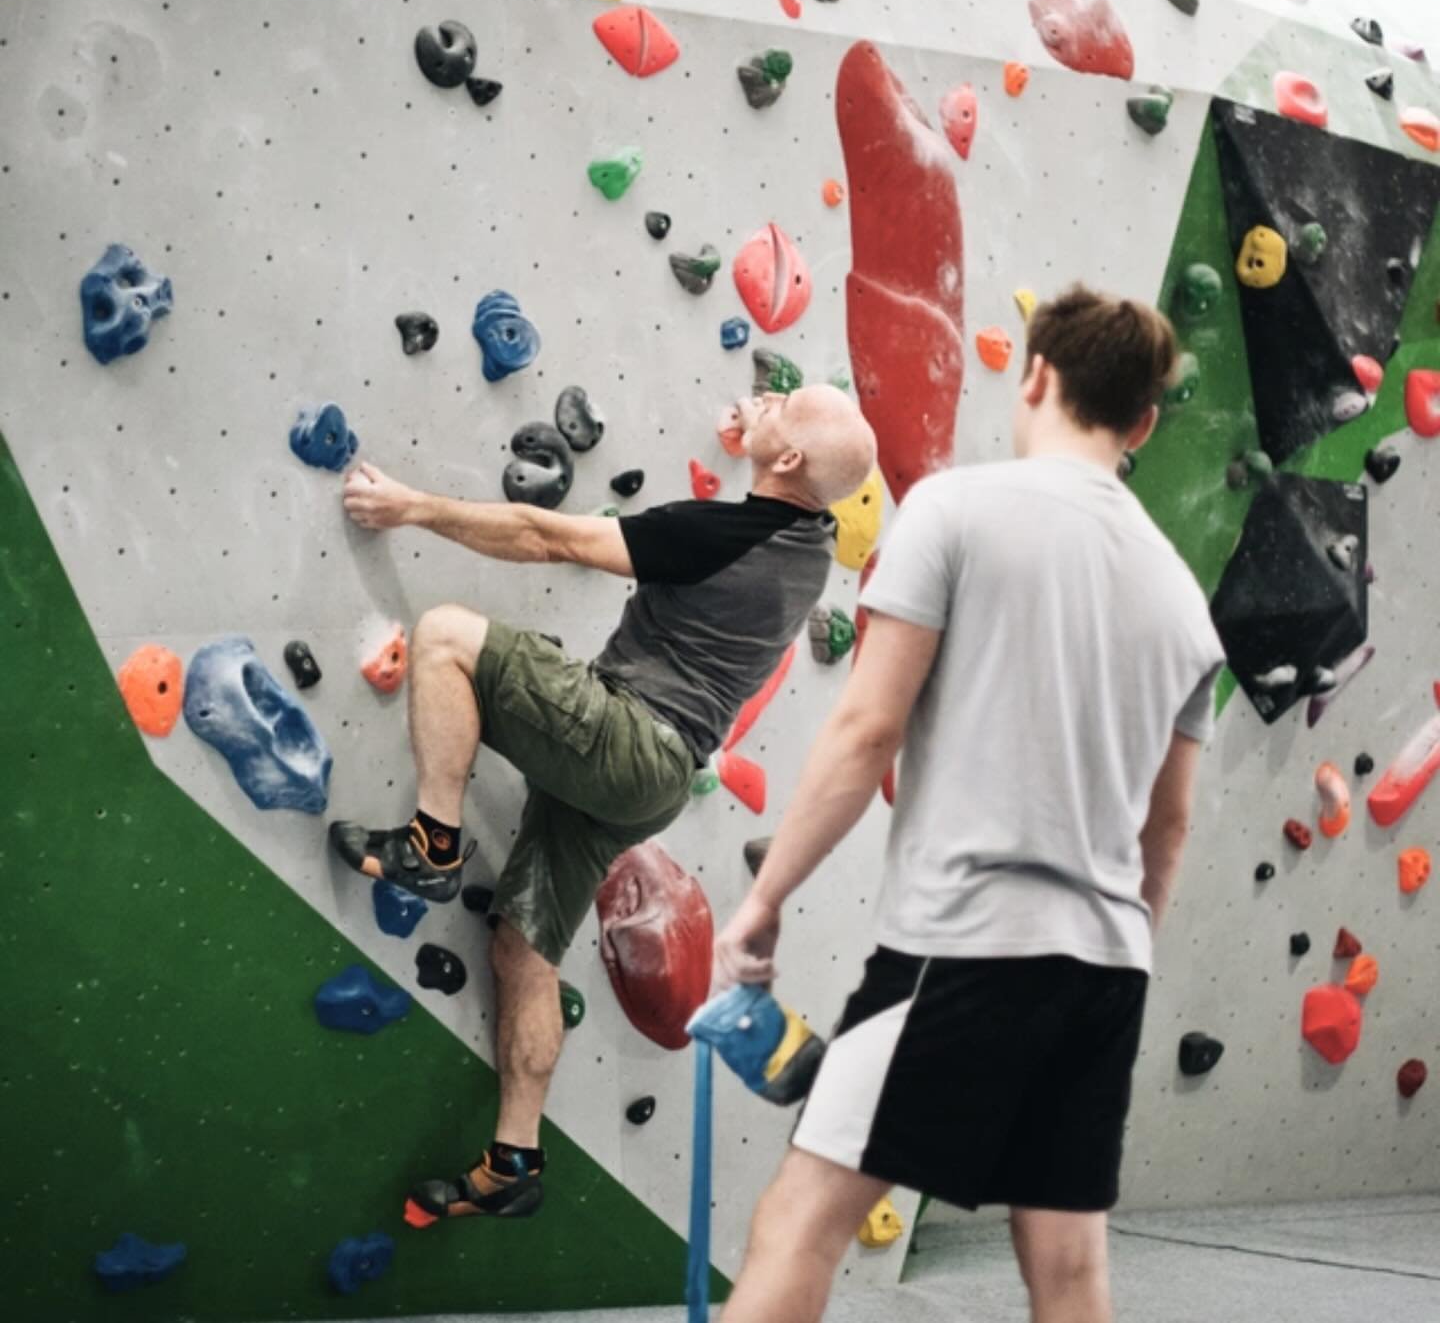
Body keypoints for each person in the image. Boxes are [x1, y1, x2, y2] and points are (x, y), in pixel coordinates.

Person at [712, 286, 1226, 1323]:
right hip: (1105, 965)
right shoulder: (1181, 597)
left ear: (1035, 375)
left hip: (969, 946)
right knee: (1070, 1270)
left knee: (799, 1219)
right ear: (1143, 421)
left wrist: (766, 896)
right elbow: (1164, 829)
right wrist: (1110, 951)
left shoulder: (954, 510)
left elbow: (864, 731)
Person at [330, 382, 876, 1225]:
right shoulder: (812, 539)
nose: (766, 395)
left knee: (444, 635)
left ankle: (434, 844)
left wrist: (412, 507)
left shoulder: (716, 535)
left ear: (792, 459)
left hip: (627, 738)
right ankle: (514, 1160)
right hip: (649, 785)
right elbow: (793, 479)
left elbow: (542, 534)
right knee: (523, 948)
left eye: (784, 401)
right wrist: (765, 435)